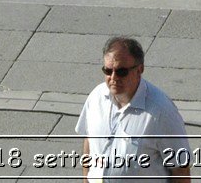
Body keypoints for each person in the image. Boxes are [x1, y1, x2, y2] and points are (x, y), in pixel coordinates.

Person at [76, 36, 193, 177]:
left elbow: (181, 170)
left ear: (139, 70)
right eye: (107, 71)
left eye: (121, 72)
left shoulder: (161, 112)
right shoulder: (96, 98)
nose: (113, 78)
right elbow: (89, 142)